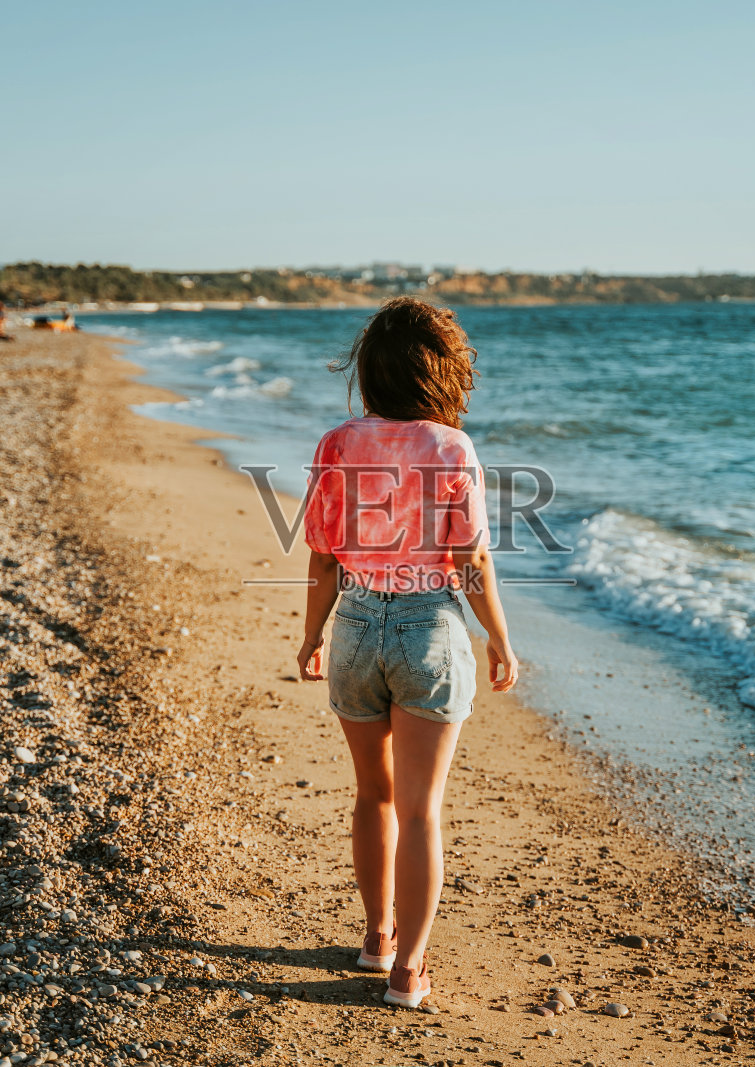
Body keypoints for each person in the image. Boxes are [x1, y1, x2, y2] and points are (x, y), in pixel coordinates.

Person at [298, 297, 519, 1009]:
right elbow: (470, 559)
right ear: (441, 371)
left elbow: (324, 558)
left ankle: (376, 938)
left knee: (373, 793)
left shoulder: (336, 443)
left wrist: (311, 635)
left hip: (357, 625)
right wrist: (500, 640)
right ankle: (409, 972)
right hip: (429, 630)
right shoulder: (452, 449)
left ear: (371, 370)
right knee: (422, 808)